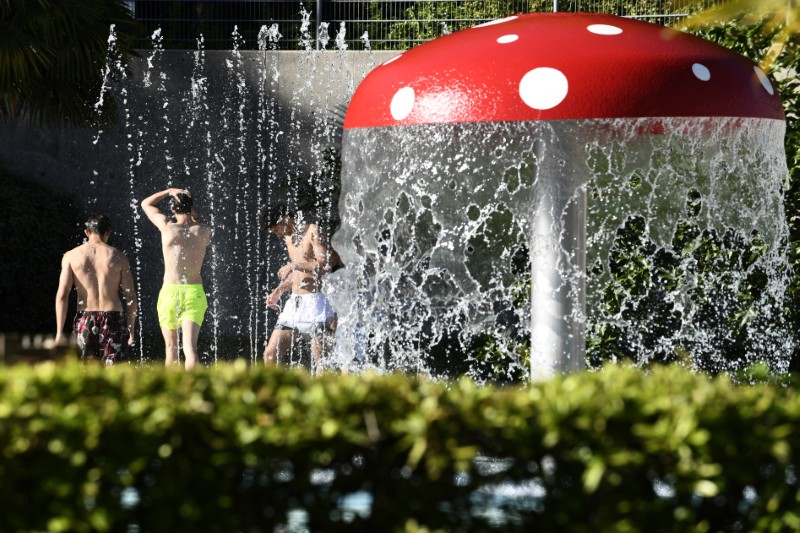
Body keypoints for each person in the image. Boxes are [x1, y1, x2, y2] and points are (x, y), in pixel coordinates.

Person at [259, 201, 342, 373]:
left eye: (276, 230)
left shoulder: (313, 231)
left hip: (316, 304)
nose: (278, 235)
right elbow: (299, 273)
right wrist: (279, 290)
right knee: (269, 355)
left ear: (285, 219)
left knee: (322, 364)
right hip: (294, 305)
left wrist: (294, 264)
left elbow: (326, 265)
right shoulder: (289, 238)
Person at [55, 213, 138, 365]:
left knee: (84, 372)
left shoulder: (70, 256)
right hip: (113, 320)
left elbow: (62, 295)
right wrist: (131, 330)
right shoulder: (119, 257)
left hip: (85, 319)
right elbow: (131, 296)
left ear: (87, 232)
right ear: (108, 232)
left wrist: (59, 333)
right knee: (116, 374)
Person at [141, 187, 211, 370]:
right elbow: (196, 221)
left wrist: (168, 191)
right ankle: (192, 392)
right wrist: (193, 211)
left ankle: (172, 394)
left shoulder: (167, 227)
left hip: (170, 291)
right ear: (192, 207)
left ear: (172, 210)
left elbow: (145, 204)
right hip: (194, 292)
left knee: (171, 349)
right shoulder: (204, 231)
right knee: (190, 348)